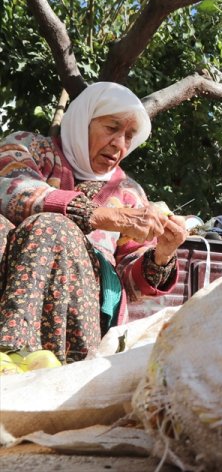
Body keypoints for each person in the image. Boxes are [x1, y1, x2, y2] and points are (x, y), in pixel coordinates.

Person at [0, 82, 188, 363]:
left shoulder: (129, 193)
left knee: (54, 228)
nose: (119, 144)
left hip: (83, 307)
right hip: (12, 274)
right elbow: (9, 189)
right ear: (82, 121)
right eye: (111, 128)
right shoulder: (27, 147)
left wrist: (163, 254)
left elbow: (132, 282)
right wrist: (98, 215)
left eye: (129, 136)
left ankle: (12, 357)